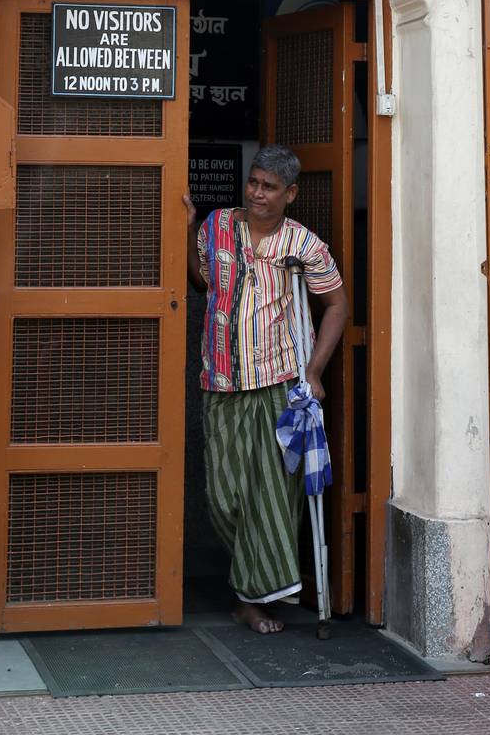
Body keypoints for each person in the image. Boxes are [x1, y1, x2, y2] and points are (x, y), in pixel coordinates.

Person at [183, 144, 348, 635]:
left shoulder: (305, 245)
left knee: (272, 496)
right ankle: (249, 582)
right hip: (220, 379)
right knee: (224, 495)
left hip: (278, 383)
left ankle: (252, 598)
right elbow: (201, 280)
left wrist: (315, 372)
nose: (257, 193)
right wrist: (188, 227)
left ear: (290, 193)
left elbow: (337, 306)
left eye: (269, 187)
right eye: (253, 182)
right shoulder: (218, 227)